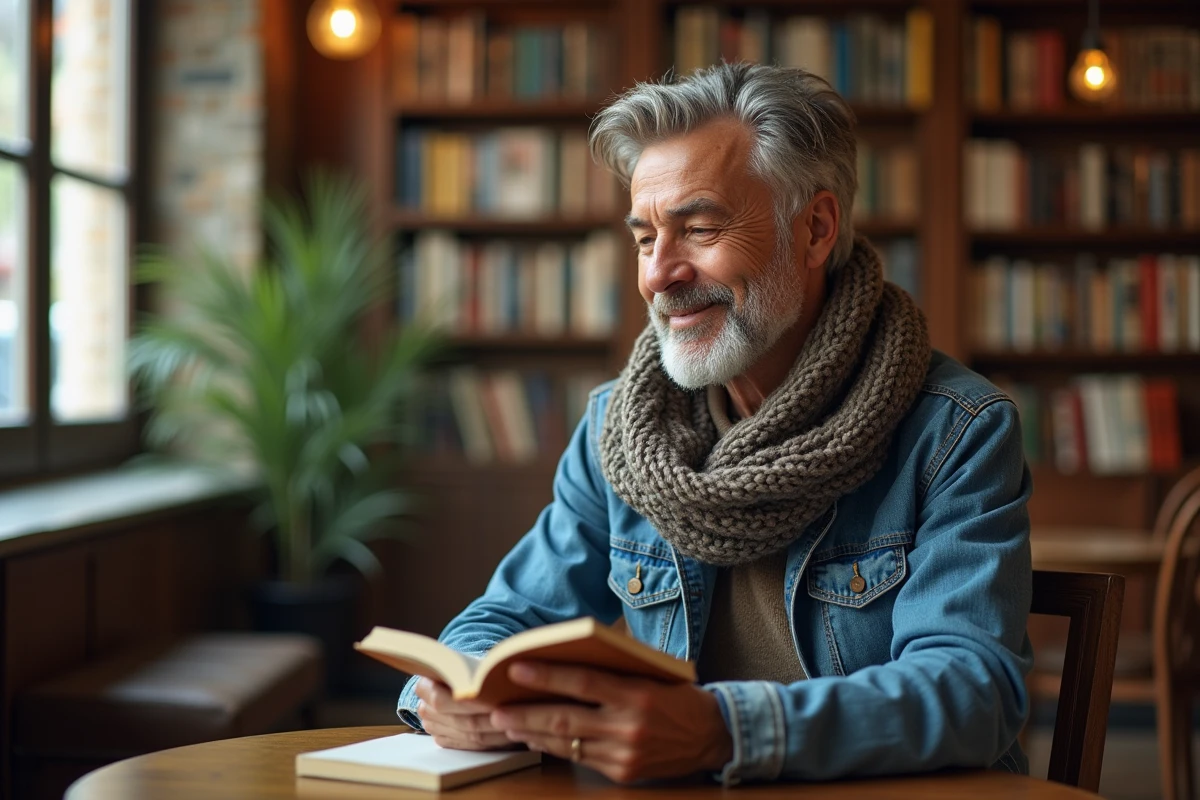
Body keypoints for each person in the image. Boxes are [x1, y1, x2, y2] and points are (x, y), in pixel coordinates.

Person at [396, 62, 1033, 786]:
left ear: (816, 228)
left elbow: (974, 690)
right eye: (643, 239)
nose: (659, 274)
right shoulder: (620, 430)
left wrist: (721, 731)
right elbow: (504, 619)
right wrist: (451, 692)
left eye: (698, 229)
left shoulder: (956, 429)